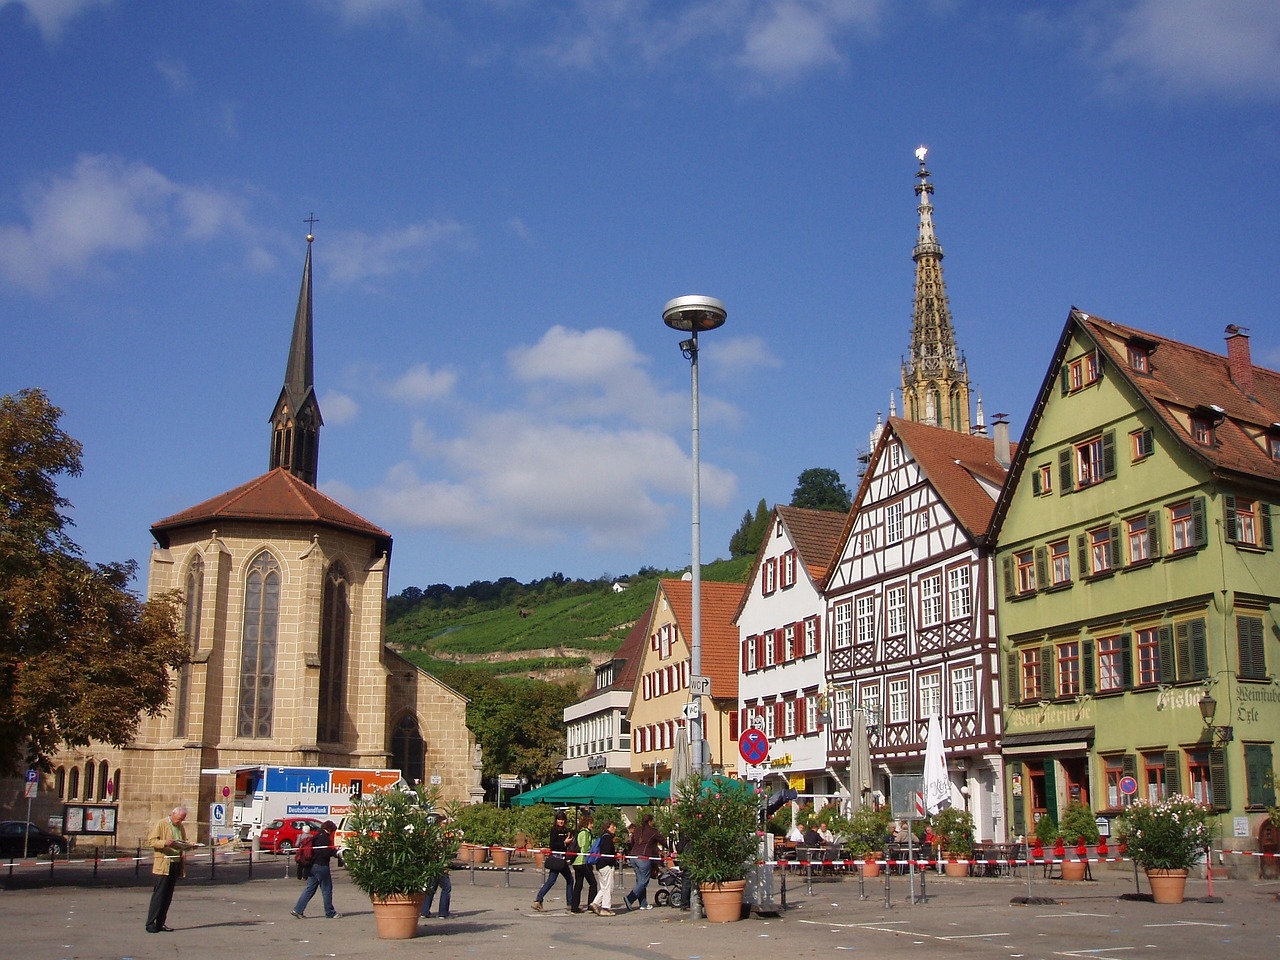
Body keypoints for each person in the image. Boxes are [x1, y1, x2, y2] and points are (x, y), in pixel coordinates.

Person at [146, 805, 194, 933]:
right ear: (173, 814)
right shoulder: (161, 824)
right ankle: (150, 923)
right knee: (159, 896)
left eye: (182, 819)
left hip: (175, 864)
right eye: (179, 819)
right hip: (163, 864)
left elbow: (183, 842)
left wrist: (190, 846)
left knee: (168, 897)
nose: (180, 821)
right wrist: (164, 843)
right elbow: (151, 841)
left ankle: (161, 923)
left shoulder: (180, 827)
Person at [291, 820, 342, 919]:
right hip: (322, 866)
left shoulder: (316, 836)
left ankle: (297, 910)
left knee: (310, 889)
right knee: (327, 889)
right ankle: (330, 912)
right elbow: (325, 853)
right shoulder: (325, 838)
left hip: (312, 866)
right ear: (330, 830)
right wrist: (335, 853)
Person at [532, 810, 574, 912]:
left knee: (569, 880)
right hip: (556, 859)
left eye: (563, 819)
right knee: (552, 880)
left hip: (563, 859)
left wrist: (569, 841)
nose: (561, 821)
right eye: (559, 819)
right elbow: (553, 845)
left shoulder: (565, 831)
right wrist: (564, 843)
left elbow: (566, 845)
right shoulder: (554, 830)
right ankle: (538, 900)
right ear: (556, 820)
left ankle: (570, 903)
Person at [623, 812, 663, 910]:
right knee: (644, 881)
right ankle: (629, 898)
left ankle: (643, 904)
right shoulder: (653, 831)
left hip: (633, 857)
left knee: (640, 881)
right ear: (650, 821)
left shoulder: (637, 830)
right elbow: (663, 841)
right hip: (643, 857)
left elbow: (631, 842)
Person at [588, 821, 619, 916]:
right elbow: (607, 853)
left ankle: (595, 903)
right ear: (607, 827)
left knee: (604, 887)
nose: (615, 829)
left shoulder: (603, 837)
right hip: (606, 865)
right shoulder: (607, 838)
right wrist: (613, 859)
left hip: (600, 865)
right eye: (613, 827)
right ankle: (605, 908)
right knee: (609, 887)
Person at [569, 811, 597, 914]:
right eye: (591, 823)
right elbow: (585, 848)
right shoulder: (585, 833)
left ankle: (574, 906)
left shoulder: (579, 832)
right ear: (587, 824)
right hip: (583, 861)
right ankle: (591, 904)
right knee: (593, 883)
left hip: (576, 862)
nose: (592, 825)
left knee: (578, 884)